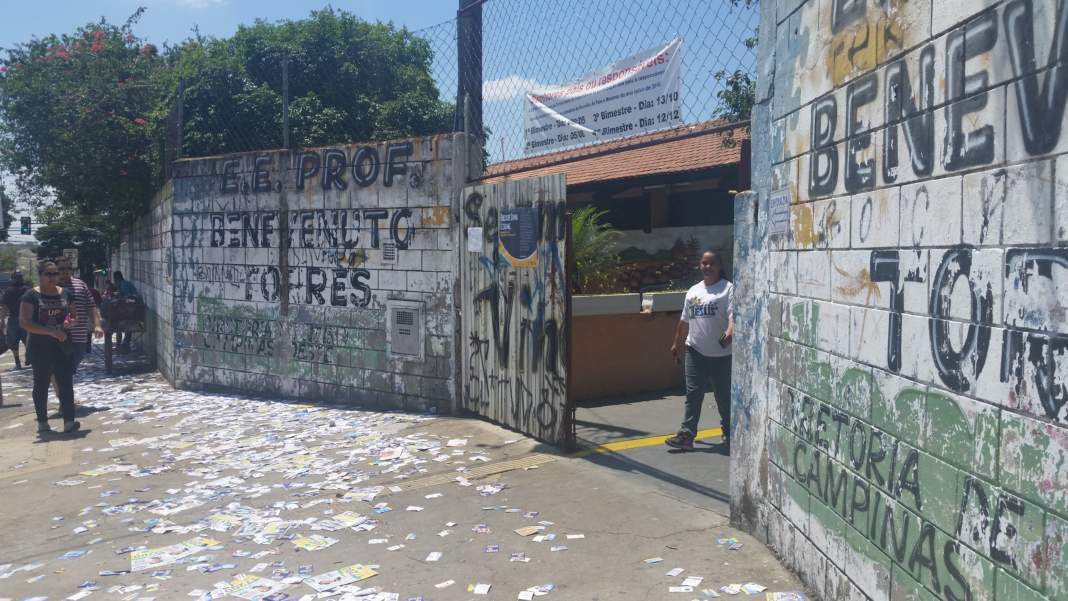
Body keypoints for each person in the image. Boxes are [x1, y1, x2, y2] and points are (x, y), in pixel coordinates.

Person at [666, 251, 734, 452]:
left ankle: (730, 434)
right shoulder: (693, 291)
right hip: (695, 351)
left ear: (719, 266)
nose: (707, 267)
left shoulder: (728, 289)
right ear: (700, 266)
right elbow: (684, 320)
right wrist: (676, 342)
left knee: (724, 397)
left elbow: (734, 315)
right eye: (704, 263)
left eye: (711, 263)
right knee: (693, 395)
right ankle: (686, 435)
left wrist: (730, 331)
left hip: (722, 355)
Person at [20, 261, 80, 435]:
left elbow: (73, 316)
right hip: (40, 346)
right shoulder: (30, 296)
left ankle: (69, 421)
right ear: (40, 275)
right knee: (41, 383)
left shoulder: (66, 294)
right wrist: (50, 332)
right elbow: (25, 322)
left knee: (66, 383)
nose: (53, 277)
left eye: (55, 274)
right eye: (49, 274)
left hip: (62, 345)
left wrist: (71, 322)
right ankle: (43, 422)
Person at [57, 256, 103, 371]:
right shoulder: (51, 286)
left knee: (72, 369)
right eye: (62, 268)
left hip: (79, 336)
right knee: (61, 371)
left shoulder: (80, 285)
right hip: (57, 336)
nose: (65, 271)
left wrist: (97, 325)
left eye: (68, 268)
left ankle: (63, 387)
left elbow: (91, 307)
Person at [2, 271, 30, 370]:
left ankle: (18, 363)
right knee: (27, 339)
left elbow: (5, 307)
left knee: (13, 342)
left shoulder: (8, 291)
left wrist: (2, 321)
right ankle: (28, 357)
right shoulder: (28, 290)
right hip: (26, 319)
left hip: (13, 319)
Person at [113, 271, 137, 353]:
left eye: (115, 280)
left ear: (117, 279)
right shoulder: (123, 284)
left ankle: (123, 346)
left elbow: (129, 298)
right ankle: (121, 345)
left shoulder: (123, 284)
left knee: (119, 325)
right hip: (129, 309)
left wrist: (119, 300)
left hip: (132, 309)